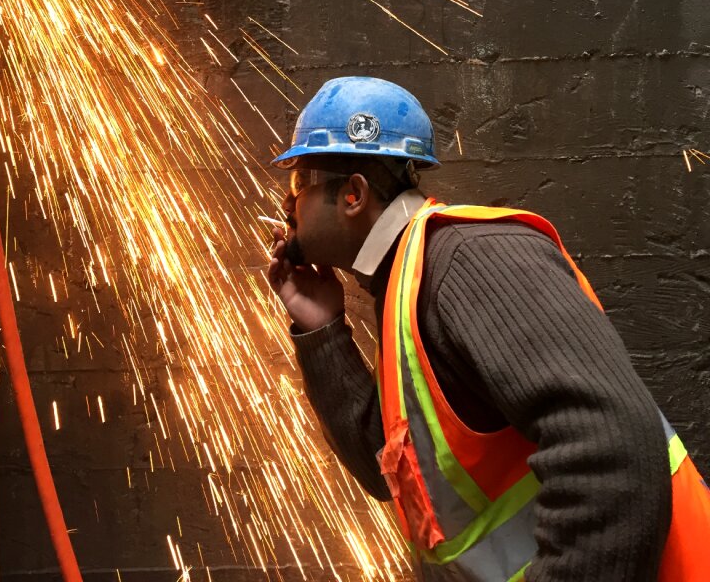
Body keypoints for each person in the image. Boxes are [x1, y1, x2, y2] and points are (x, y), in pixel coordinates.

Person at [267, 76, 710, 582]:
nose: (287, 202)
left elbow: (612, 451)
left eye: (300, 182)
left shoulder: (468, 262)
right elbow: (393, 475)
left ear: (353, 194)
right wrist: (323, 330)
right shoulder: (406, 287)